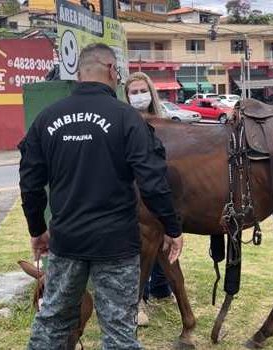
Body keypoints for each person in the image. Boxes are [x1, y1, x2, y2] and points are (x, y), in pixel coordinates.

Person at [19, 43, 183, 349]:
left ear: (80, 72)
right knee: (119, 331)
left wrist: (37, 230)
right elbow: (153, 181)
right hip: (116, 245)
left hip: (66, 241)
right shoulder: (128, 119)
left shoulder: (46, 119)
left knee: (52, 321)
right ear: (111, 69)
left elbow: (30, 183)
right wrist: (172, 228)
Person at [125, 72, 174, 327]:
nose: (139, 96)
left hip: (162, 190)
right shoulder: (126, 122)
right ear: (126, 96)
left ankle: (162, 288)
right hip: (135, 194)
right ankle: (140, 298)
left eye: (143, 91)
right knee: (142, 247)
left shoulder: (163, 120)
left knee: (165, 240)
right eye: (133, 93)